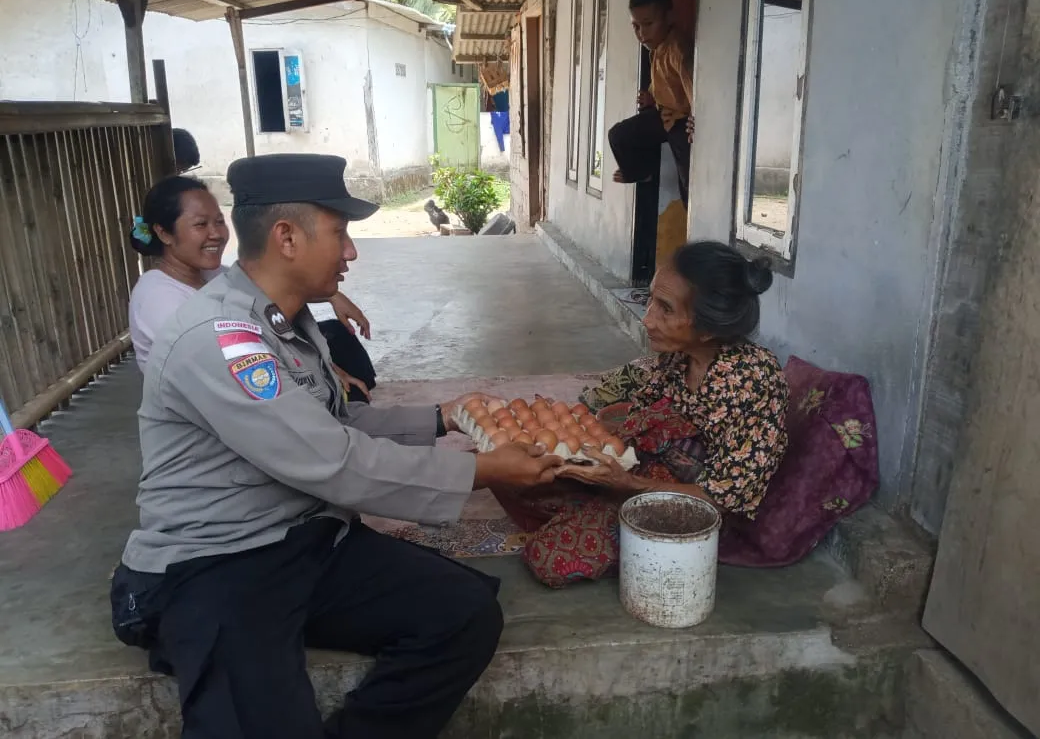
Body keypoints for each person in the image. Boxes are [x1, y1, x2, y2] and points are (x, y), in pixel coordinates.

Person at [109, 153, 564, 738]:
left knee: (463, 614)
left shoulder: (284, 322)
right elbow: (331, 461)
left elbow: (328, 425)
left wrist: (440, 418)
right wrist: (481, 471)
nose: (350, 251)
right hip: (216, 562)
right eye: (341, 232)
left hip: (305, 540)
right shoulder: (221, 340)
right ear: (286, 237)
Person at [493, 242, 789, 588]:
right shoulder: (679, 358)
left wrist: (629, 485)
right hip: (645, 475)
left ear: (708, 328)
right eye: (649, 300)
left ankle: (600, 519)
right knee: (504, 468)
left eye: (665, 309)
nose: (647, 319)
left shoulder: (751, 383)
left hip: (700, 507)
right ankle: (588, 508)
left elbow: (724, 497)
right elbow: (618, 389)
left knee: (549, 559)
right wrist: (563, 425)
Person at [128, 175, 376, 399]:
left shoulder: (213, 275)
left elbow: (266, 289)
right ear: (164, 233)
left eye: (219, 222)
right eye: (201, 225)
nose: (216, 234)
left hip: (234, 382)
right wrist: (328, 371)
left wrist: (333, 296)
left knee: (335, 338)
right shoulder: (157, 298)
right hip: (214, 406)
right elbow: (227, 359)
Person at [608, 0, 694, 206]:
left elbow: (694, 91)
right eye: (635, 26)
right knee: (619, 135)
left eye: (648, 24)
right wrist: (651, 99)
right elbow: (665, 89)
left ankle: (692, 213)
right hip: (662, 115)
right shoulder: (656, 49)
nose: (641, 33)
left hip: (681, 123)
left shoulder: (678, 50)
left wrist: (698, 121)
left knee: (689, 181)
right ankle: (641, 172)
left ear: (669, 17)